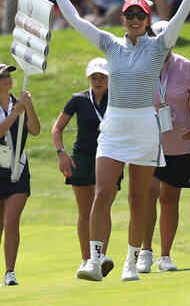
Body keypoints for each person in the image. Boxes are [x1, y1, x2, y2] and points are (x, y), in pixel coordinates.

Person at [38, 0, 190, 282]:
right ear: (123, 17)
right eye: (129, 14)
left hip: (145, 126)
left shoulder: (159, 46)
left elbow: (180, 16)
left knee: (138, 197)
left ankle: (131, 261)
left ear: (146, 20)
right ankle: (96, 259)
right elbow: (75, 20)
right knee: (103, 192)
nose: (133, 20)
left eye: (139, 15)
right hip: (114, 126)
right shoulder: (110, 44)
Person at [138, 20, 190, 273]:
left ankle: (165, 256)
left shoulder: (185, 66)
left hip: (178, 143)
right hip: (148, 142)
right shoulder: (142, 65)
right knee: (148, 195)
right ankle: (145, 251)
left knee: (169, 198)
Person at [51, 58, 119, 279]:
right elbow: (57, 128)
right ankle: (86, 260)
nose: (98, 81)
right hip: (82, 158)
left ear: (109, 79)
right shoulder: (78, 99)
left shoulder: (117, 98)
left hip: (111, 156)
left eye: (102, 77)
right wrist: (62, 153)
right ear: (89, 78)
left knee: (103, 206)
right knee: (85, 211)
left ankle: (100, 256)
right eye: (94, 77)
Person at [0, 63, 41, 287]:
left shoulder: (20, 103)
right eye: (1, 76)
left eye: (8, 75)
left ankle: (10, 272)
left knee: (11, 220)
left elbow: (34, 130)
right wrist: (15, 114)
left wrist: (29, 106)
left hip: (18, 169)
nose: (7, 79)